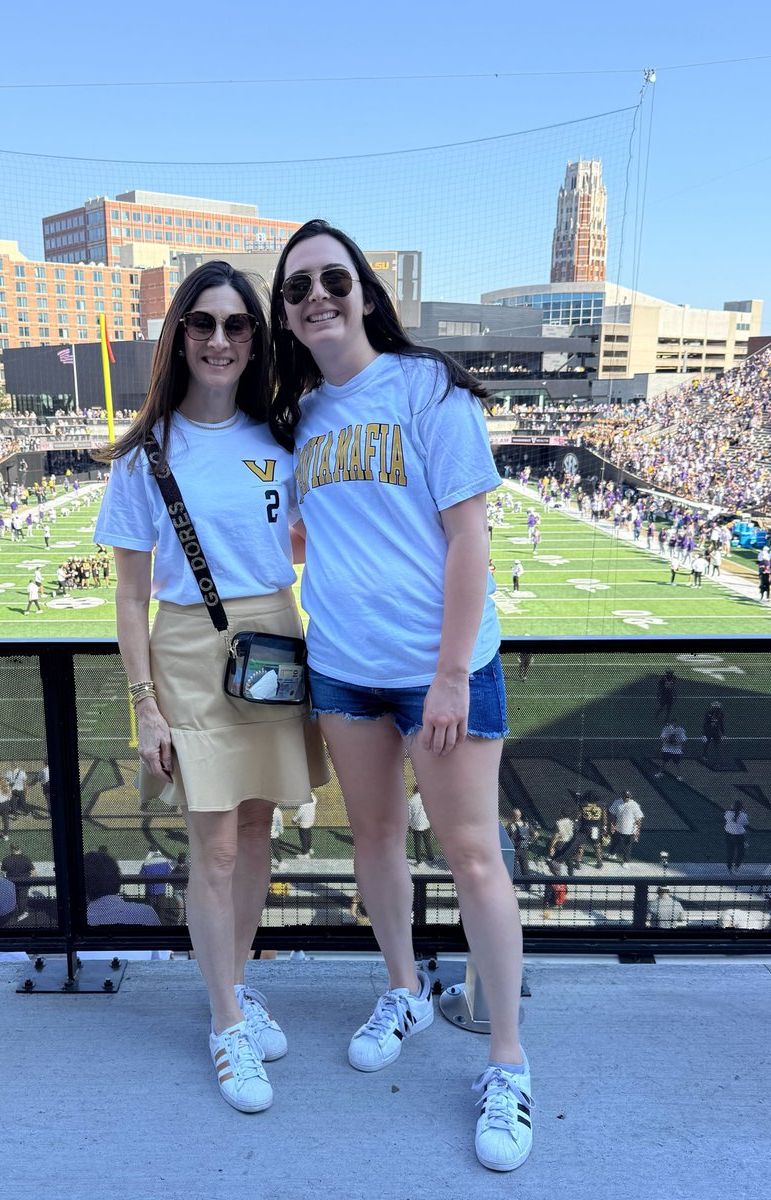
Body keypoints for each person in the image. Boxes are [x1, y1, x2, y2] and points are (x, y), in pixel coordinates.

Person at [269, 219, 532, 1172]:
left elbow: (470, 539)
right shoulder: (299, 415)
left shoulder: (428, 389)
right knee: (374, 841)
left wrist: (452, 671)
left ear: (366, 291)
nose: (316, 297)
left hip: (439, 673)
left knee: (473, 857)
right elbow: (305, 533)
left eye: (332, 279)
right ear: (286, 315)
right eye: (297, 290)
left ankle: (507, 1059)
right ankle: (405, 987)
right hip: (343, 665)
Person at [92, 261, 326, 1116]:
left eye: (236, 325)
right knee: (216, 846)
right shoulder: (145, 454)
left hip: (275, 644)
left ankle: (233, 979)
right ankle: (226, 1017)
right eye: (203, 323)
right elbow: (127, 596)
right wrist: (144, 702)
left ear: (255, 339)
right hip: (189, 649)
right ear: (179, 335)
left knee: (261, 827)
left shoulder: (282, 439)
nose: (220, 340)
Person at [607, 790, 644, 864]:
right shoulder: (617, 802)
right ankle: (612, 854)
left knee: (627, 847)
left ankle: (625, 861)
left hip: (629, 830)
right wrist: (612, 825)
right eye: (625, 796)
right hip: (618, 828)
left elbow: (639, 818)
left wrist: (637, 831)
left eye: (628, 797)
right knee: (615, 842)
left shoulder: (634, 805)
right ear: (622, 796)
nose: (627, 798)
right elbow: (612, 814)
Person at [505, 807, 534, 890]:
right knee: (525, 867)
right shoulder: (527, 824)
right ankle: (528, 885)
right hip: (524, 848)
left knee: (511, 866)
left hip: (514, 849)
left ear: (513, 816)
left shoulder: (511, 825)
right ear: (520, 815)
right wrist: (529, 842)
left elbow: (506, 836)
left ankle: (511, 883)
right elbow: (535, 834)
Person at [408, 790, 436, 866]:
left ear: (414, 791)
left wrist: (409, 825)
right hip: (426, 824)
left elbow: (409, 816)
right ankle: (430, 858)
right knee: (428, 842)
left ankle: (418, 861)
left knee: (417, 844)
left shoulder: (411, 800)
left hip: (416, 825)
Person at [724, 800, 750, 874]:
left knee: (730, 851)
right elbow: (746, 823)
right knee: (741, 852)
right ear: (741, 807)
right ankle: (736, 866)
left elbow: (727, 817)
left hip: (728, 834)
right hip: (739, 836)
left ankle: (729, 867)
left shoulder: (728, 813)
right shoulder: (743, 815)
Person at [292, 793, 317, 859]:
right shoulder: (313, 798)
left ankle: (305, 853)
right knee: (308, 834)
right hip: (310, 819)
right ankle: (309, 849)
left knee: (303, 837)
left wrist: (294, 819)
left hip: (304, 821)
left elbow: (300, 811)